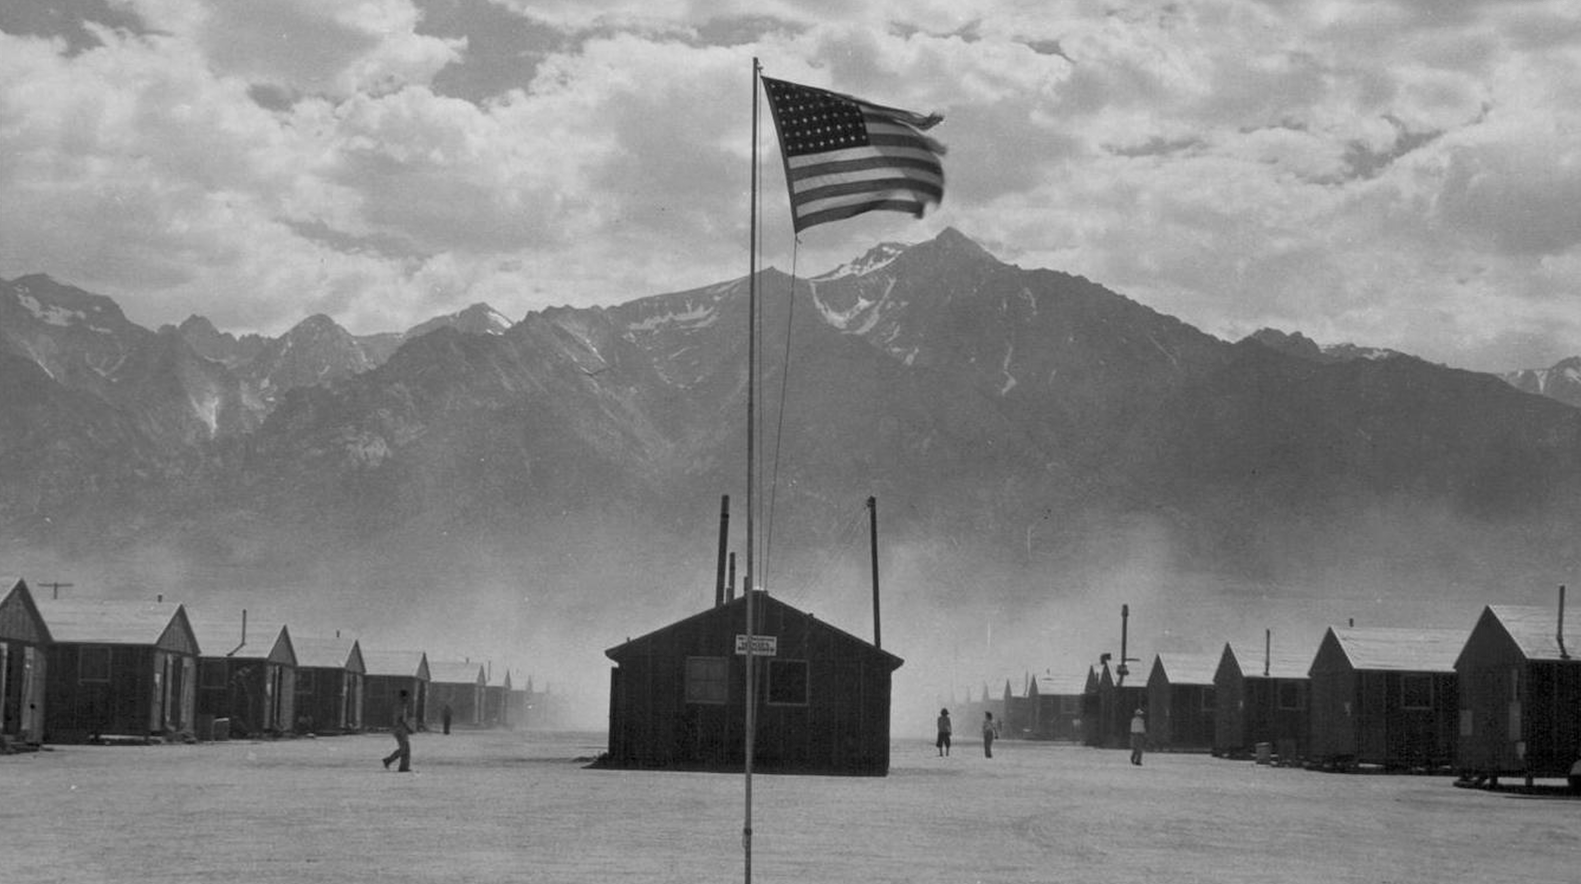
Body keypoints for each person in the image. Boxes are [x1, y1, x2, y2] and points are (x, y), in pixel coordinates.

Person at [382, 689, 414, 772]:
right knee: (404, 749)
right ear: (404, 696)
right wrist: (408, 728)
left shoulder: (400, 705)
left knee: (406, 748)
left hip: (399, 729)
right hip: (400, 729)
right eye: (407, 696)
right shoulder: (401, 706)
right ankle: (388, 760)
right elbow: (401, 719)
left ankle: (404, 767)